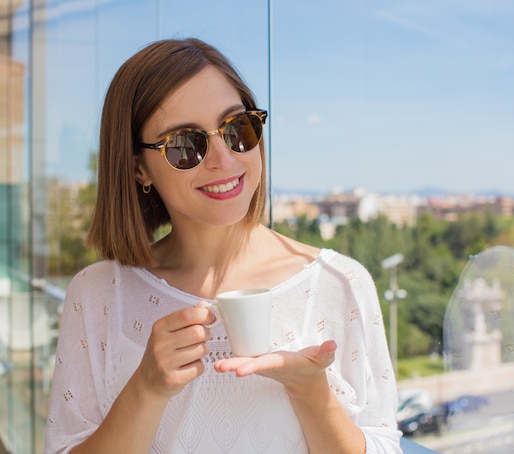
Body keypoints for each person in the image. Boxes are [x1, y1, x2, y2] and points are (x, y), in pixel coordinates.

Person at [44, 38, 402, 453]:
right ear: (138, 168)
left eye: (237, 129)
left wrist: (311, 392)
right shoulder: (97, 295)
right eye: (184, 145)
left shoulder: (340, 283)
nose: (224, 159)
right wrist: (146, 389)